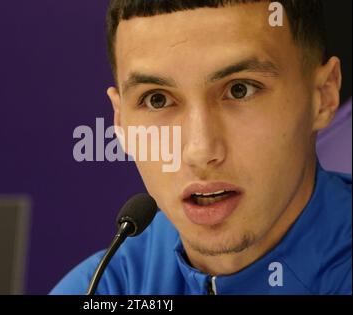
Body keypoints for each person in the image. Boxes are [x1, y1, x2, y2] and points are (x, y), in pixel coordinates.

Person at [51, 0, 351, 294]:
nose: (200, 151)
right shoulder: (101, 288)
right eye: (157, 99)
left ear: (323, 97)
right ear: (121, 123)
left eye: (239, 89)